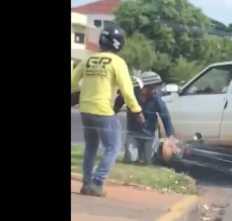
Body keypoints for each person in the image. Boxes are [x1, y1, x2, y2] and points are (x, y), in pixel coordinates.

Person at [71, 24, 144, 197]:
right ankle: (97, 182)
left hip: (85, 109)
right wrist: (137, 110)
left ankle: (87, 183)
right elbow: (127, 90)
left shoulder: (88, 59)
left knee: (91, 146)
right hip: (103, 110)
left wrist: (79, 94)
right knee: (112, 146)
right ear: (119, 43)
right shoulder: (118, 63)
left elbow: (72, 80)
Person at [113, 71, 177, 165]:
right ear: (142, 87)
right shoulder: (132, 95)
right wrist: (110, 115)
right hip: (133, 132)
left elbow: (165, 116)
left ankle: (144, 159)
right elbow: (118, 104)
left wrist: (170, 137)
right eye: (151, 88)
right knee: (130, 159)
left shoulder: (156, 99)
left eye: (155, 87)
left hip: (150, 135)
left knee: (148, 161)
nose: (154, 90)